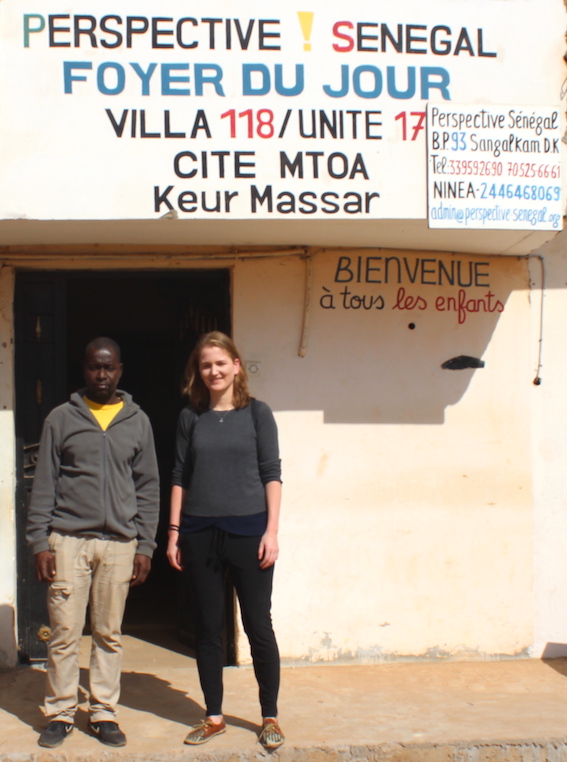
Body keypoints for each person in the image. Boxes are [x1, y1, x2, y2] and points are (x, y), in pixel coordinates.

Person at [26, 337, 160, 749]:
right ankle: (62, 712)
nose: (102, 375)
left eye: (109, 368)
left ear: (120, 370)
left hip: (120, 544)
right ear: (83, 370)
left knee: (108, 633)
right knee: (65, 632)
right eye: (94, 367)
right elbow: (44, 483)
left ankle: (102, 713)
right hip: (68, 541)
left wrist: (145, 546)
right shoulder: (61, 418)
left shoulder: (137, 420)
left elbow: (148, 487)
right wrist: (39, 542)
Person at [167, 331, 284, 750]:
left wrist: (271, 531)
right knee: (207, 629)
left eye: (220, 362)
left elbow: (272, 472)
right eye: (205, 365)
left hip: (249, 534)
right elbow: (179, 476)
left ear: (236, 364)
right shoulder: (190, 417)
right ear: (198, 372)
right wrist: (175, 532)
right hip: (199, 534)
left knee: (258, 626)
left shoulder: (257, 414)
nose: (213, 371)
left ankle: (269, 716)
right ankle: (213, 716)